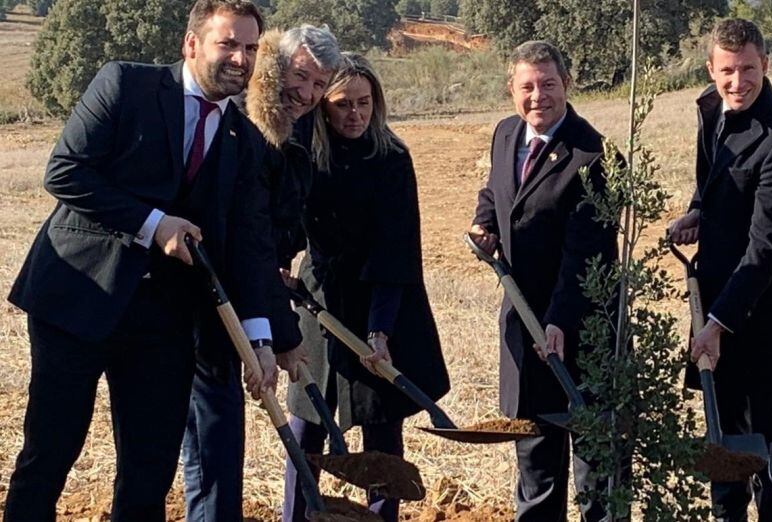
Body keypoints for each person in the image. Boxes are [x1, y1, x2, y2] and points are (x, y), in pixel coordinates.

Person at [4, 1, 278, 519]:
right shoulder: (125, 84)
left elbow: (248, 245)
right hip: (79, 300)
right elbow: (65, 173)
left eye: (251, 49)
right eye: (229, 44)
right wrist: (154, 225)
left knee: (150, 471)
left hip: (165, 323)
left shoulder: (245, 141)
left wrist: (259, 337)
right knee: (50, 454)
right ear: (191, 44)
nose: (241, 59)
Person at [280, 52, 450, 522]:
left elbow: (395, 251)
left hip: (383, 299)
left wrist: (380, 333)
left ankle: (382, 516)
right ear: (322, 108)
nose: (354, 114)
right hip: (318, 300)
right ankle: (298, 515)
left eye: (363, 103)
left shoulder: (391, 158)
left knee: (381, 430)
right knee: (306, 424)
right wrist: (278, 265)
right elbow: (286, 218)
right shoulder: (304, 152)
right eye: (341, 104)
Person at [181, 23, 340, 522]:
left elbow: (274, 240)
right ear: (274, 69)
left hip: (249, 290)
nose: (308, 94)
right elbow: (248, 239)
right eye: (301, 77)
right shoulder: (246, 128)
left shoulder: (300, 128)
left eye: (319, 85)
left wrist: (276, 326)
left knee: (220, 440)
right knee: (213, 440)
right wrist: (273, 333)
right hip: (210, 299)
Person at [667, 18, 772, 522]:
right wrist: (697, 211)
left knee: (770, 456)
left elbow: (767, 247)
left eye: (748, 69)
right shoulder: (712, 110)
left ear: (765, 65)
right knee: (722, 443)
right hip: (716, 306)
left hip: (765, 321)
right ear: (711, 69)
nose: (738, 82)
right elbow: (711, 183)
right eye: (727, 71)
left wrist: (717, 324)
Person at [468, 40, 617, 522]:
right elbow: (495, 189)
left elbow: (586, 255)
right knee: (535, 462)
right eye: (527, 86)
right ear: (511, 89)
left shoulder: (592, 156)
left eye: (548, 84)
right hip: (523, 325)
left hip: (581, 332)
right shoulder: (506, 134)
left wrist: (559, 321)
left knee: (597, 469)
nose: (538, 96)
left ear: (567, 86)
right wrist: (484, 221)